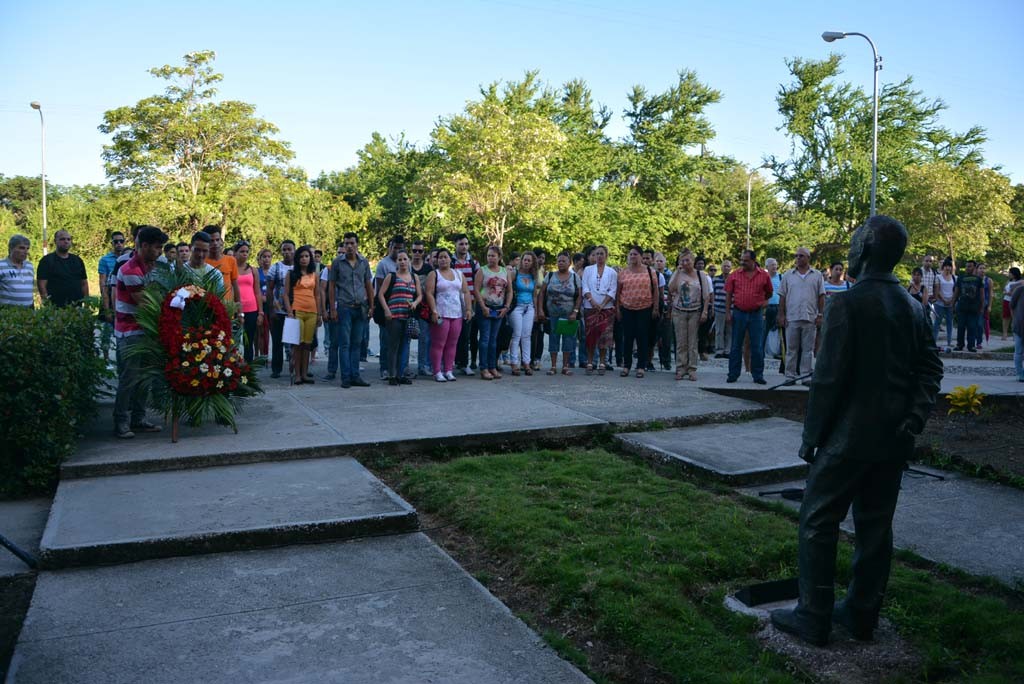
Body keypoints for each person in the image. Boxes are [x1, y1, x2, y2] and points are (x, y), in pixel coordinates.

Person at [770, 215, 943, 647]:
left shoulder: (847, 304)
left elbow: (828, 380)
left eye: (852, 243)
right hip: (894, 437)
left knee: (817, 520)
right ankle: (862, 614)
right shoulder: (913, 306)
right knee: (875, 527)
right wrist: (914, 418)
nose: (848, 250)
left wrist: (811, 438)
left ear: (864, 250)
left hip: (848, 437)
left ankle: (813, 615)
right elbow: (930, 369)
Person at [113, 226, 169, 438]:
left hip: (147, 330)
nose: (160, 251)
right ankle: (121, 421)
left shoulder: (155, 266)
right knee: (130, 377)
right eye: (157, 247)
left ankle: (139, 419)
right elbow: (147, 304)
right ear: (144, 246)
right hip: (130, 331)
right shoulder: (129, 270)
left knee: (145, 377)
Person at [328, 232, 374, 388]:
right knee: (345, 343)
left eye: (352, 243)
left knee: (357, 343)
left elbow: (368, 284)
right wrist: (332, 308)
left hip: (360, 307)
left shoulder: (364, 262)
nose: (349, 246)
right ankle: (346, 377)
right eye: (346, 243)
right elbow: (331, 286)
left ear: (357, 245)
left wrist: (372, 306)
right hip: (344, 307)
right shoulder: (337, 263)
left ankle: (356, 375)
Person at [777, 248, 826, 385]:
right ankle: (790, 376)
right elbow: (782, 296)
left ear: (808, 258)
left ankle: (805, 376)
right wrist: (781, 314)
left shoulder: (817, 275)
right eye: (796, 256)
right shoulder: (788, 275)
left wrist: (820, 314)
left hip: (810, 317)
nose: (798, 258)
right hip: (792, 317)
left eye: (801, 256)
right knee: (791, 349)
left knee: (808, 350)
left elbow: (821, 296)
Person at [725, 249, 773, 385]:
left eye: (746, 260)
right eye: (741, 260)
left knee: (757, 346)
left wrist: (763, 302)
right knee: (736, 345)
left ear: (753, 261)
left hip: (756, 314)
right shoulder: (734, 275)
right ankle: (733, 374)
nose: (742, 262)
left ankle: (758, 375)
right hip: (739, 313)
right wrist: (728, 312)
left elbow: (769, 292)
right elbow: (728, 294)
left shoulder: (764, 275)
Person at [426, 248, 473, 382]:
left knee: (452, 343)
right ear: (437, 260)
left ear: (450, 259)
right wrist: (434, 311)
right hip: (441, 313)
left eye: (445, 257)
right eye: (440, 257)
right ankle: (437, 371)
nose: (443, 259)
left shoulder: (458, 274)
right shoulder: (434, 274)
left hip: (457, 313)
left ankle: (448, 370)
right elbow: (429, 293)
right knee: (439, 344)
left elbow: (466, 292)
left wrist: (468, 309)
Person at [378, 249, 422, 385]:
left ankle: (401, 374)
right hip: (394, 316)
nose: (402, 262)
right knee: (393, 346)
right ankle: (392, 375)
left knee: (404, 346)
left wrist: (415, 303)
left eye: (405, 259)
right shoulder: (391, 276)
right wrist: (387, 310)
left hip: (407, 316)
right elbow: (380, 294)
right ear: (396, 262)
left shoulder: (414, 277)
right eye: (400, 259)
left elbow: (420, 295)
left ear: (409, 260)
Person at [615, 246, 660, 378]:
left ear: (640, 256)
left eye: (635, 254)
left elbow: (656, 291)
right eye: (631, 254)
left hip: (645, 308)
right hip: (627, 308)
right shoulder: (623, 272)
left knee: (642, 337)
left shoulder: (650, 271)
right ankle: (626, 366)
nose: (632, 256)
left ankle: (641, 366)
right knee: (628, 337)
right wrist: (617, 309)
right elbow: (618, 292)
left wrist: (655, 308)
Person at [668, 250, 712, 381]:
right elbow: (671, 289)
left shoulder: (701, 275)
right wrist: (677, 272)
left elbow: (706, 295)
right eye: (682, 261)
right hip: (679, 311)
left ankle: (692, 369)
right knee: (681, 342)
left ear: (693, 261)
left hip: (695, 311)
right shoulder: (678, 274)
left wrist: (705, 311)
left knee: (692, 342)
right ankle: (681, 368)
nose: (685, 263)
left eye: (687, 260)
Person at [282, 245, 323, 385]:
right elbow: (285, 295)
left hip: (312, 311)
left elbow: (317, 295)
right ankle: (297, 375)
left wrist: (319, 314)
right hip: (297, 311)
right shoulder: (291, 274)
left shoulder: (314, 275)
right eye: (301, 257)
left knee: (307, 344)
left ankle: (305, 374)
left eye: (306, 256)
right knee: (297, 345)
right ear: (297, 259)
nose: (304, 259)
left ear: (310, 258)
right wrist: (289, 312)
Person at [539, 250, 582, 376]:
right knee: (553, 338)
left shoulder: (575, 277)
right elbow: (542, 293)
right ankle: (553, 366)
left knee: (568, 339)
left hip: (569, 315)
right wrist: (540, 309)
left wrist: (575, 312)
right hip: (552, 314)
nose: (561, 263)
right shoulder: (550, 275)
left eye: (564, 261)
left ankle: (565, 366)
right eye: (559, 261)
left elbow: (579, 296)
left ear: (569, 263)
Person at [474, 245, 511, 380]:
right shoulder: (482, 271)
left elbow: (509, 291)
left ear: (499, 257)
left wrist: (506, 307)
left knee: (494, 339)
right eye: (489, 255)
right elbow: (476, 290)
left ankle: (492, 366)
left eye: (493, 256)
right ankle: (483, 368)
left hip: (499, 308)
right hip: (485, 307)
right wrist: (483, 307)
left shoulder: (505, 271)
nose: (490, 258)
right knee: (485, 338)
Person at [581, 245, 617, 375]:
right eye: (597, 254)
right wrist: (592, 301)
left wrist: (602, 304)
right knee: (590, 335)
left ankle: (602, 362)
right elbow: (585, 287)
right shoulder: (588, 270)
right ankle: (590, 362)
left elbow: (613, 290)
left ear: (606, 256)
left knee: (604, 336)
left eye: (602, 254)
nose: (599, 256)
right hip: (590, 307)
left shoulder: (612, 272)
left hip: (606, 309)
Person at [374, 235, 405, 380]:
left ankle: (399, 370)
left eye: (400, 248)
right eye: (395, 247)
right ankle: (385, 368)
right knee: (386, 340)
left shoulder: (406, 263)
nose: (397, 251)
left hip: (402, 308)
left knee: (401, 342)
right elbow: (380, 288)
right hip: (387, 307)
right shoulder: (383, 264)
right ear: (390, 247)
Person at [267, 240, 296, 378]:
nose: (287, 252)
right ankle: (276, 368)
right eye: (284, 250)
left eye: (289, 249)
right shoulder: (276, 267)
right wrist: (271, 310)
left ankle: (297, 368)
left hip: (295, 309)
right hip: (278, 309)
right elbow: (269, 289)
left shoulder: (299, 267)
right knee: (277, 340)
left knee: (295, 341)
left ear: (294, 251)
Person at [36, 230, 88, 307]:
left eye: (68, 239)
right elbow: (42, 285)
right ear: (55, 241)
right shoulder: (47, 261)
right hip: (55, 308)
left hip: (77, 307)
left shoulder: (77, 260)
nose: (66, 241)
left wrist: (87, 303)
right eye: (62, 239)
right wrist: (47, 305)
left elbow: (84, 283)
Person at [508, 251, 540, 376]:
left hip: (529, 307)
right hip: (517, 306)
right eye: (524, 260)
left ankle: (526, 362)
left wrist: (536, 311)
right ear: (521, 261)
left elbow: (535, 295)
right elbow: (508, 289)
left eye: (529, 260)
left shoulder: (533, 276)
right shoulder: (514, 273)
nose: (526, 262)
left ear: (532, 263)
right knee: (516, 334)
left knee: (527, 335)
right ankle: (514, 363)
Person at [451, 234, 479, 375]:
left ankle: (465, 363)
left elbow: (478, 283)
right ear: (455, 245)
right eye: (461, 244)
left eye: (466, 244)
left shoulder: (474, 263)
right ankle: (452, 362)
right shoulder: (450, 262)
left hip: (470, 303)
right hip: (453, 303)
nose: (464, 247)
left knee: (467, 335)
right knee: (453, 334)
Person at [233, 241, 264, 363]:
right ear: (235, 253)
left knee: (249, 340)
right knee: (234, 339)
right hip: (235, 308)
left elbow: (257, 292)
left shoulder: (253, 270)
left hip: (252, 309)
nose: (245, 254)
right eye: (242, 251)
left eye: (246, 251)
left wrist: (260, 312)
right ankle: (233, 365)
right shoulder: (231, 269)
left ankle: (248, 366)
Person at [98, 232, 127, 361]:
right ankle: (105, 359)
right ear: (112, 243)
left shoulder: (129, 257)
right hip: (110, 295)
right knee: (107, 329)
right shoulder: (105, 260)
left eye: (121, 241)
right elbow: (102, 283)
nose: (119, 244)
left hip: (124, 296)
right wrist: (106, 306)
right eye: (116, 241)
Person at [410, 240, 434, 376]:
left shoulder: (428, 269)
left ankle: (423, 366)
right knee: (405, 339)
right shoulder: (407, 266)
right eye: (414, 250)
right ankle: (403, 367)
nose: (417, 253)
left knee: (424, 338)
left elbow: (431, 290)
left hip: (424, 308)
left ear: (424, 253)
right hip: (407, 306)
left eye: (420, 251)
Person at [203, 226, 240, 303]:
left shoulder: (231, 260)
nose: (215, 243)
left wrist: (238, 306)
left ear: (221, 241)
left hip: (227, 306)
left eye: (217, 240)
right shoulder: (201, 261)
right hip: (206, 305)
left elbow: (235, 285)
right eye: (211, 241)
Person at [954, 260, 983, 352]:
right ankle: (960, 344)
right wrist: (953, 304)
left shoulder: (978, 280)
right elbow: (956, 292)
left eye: (970, 266)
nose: (967, 268)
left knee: (972, 327)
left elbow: (982, 295)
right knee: (961, 327)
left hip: (974, 307)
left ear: (974, 268)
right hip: (962, 306)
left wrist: (981, 307)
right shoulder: (960, 278)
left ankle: (971, 346)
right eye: (966, 266)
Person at [0, 234, 34, 308]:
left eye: (27, 248)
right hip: (8, 312)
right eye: (22, 248)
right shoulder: (1, 265)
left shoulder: (29, 266)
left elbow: (29, 291)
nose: (26, 251)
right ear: (11, 248)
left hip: (29, 312)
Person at [530, 248, 548, 370]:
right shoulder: (530, 271)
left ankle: (537, 358)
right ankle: (528, 359)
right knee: (530, 334)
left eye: (543, 258)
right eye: (539, 257)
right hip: (530, 304)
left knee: (540, 333)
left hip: (541, 304)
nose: (541, 260)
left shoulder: (543, 271)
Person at [932, 259, 956, 352]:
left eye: (949, 266)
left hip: (950, 303)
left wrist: (951, 300)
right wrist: (944, 300)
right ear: (943, 267)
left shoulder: (954, 277)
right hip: (940, 303)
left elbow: (955, 290)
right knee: (937, 323)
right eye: (946, 266)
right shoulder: (938, 277)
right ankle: (933, 341)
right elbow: (937, 290)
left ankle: (949, 342)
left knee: (950, 322)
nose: (948, 268)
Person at [713, 259, 732, 357]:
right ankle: (719, 350)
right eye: (725, 266)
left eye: (728, 266)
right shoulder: (715, 279)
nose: (726, 268)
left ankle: (728, 350)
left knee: (729, 331)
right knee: (719, 331)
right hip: (718, 308)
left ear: (731, 268)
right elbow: (712, 294)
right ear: (721, 267)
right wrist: (712, 307)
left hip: (731, 309)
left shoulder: (733, 279)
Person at [257, 248, 273, 357]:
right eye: (264, 257)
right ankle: (262, 355)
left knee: (273, 331)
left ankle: (271, 355)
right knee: (262, 331)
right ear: (260, 259)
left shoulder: (274, 271)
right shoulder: (256, 272)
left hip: (272, 305)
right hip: (261, 305)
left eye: (268, 257)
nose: (266, 259)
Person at [763, 257, 782, 351]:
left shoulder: (781, 277)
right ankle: (761, 352)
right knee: (764, 330)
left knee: (779, 330)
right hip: (766, 307)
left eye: (775, 264)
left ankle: (778, 351)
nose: (774, 267)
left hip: (778, 307)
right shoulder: (763, 278)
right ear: (767, 267)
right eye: (772, 265)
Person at [1003, 267, 1023, 341]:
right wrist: (1006, 292)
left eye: (1010, 273)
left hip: (1016, 301)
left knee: (1015, 317)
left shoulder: (1021, 281)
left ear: (1014, 273)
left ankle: (1015, 334)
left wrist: (1011, 293)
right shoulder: (1008, 281)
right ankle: (1004, 334)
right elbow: (1004, 290)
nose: (1009, 274)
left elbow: (1019, 292)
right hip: (1006, 300)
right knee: (1005, 317)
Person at [977, 263, 993, 349]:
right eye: (980, 268)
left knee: (980, 324)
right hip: (974, 304)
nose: (982, 270)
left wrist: (990, 305)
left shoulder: (988, 280)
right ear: (977, 269)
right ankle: (972, 341)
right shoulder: (974, 279)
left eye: (984, 268)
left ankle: (979, 342)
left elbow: (990, 294)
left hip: (984, 305)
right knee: (972, 324)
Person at [1011, 279, 1024, 382]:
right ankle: (1020, 373)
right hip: (1020, 325)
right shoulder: (1020, 290)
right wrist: (1015, 319)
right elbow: (1012, 305)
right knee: (1019, 351)